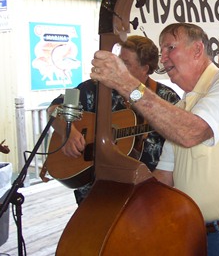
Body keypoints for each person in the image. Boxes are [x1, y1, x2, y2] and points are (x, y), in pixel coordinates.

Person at [90, 23, 219, 255]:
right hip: (196, 233)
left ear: (198, 50)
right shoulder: (182, 108)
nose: (164, 59)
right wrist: (116, 207)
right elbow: (164, 178)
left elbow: (192, 132)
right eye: (162, 51)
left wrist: (128, 84)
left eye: (170, 47)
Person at [47, 35, 180, 204]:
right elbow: (53, 109)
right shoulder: (96, 88)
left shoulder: (166, 98)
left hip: (147, 197)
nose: (118, 67)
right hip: (95, 194)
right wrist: (67, 131)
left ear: (145, 68)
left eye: (126, 63)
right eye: (118, 61)